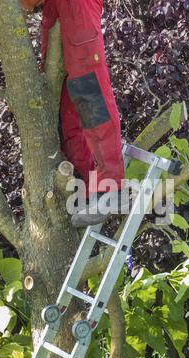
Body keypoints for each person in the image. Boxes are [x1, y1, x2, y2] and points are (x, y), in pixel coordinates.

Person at [41, 0, 128, 227]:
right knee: (63, 108)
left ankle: (112, 188)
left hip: (74, 5)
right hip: (53, 8)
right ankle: (87, 188)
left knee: (90, 94)